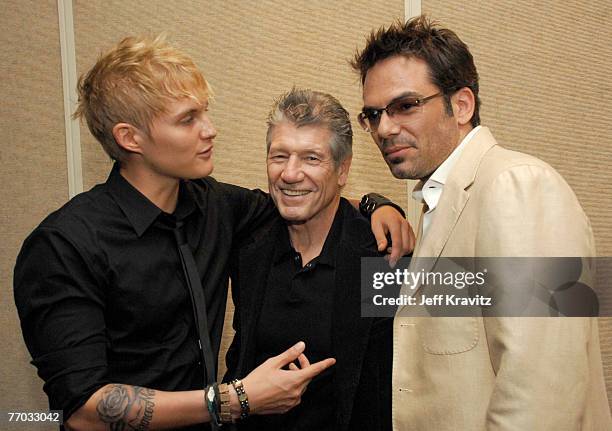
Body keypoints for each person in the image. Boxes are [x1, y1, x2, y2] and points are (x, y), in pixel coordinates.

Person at [13, 35, 411, 431]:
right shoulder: (64, 245)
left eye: (204, 113)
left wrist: (380, 205)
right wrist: (236, 399)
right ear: (129, 137)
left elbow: (306, 194)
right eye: (188, 119)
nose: (210, 130)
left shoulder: (214, 207)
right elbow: (81, 409)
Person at [351, 15, 612, 431]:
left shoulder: (517, 185)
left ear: (461, 105)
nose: (384, 128)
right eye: (373, 114)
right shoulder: (439, 200)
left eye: (404, 106)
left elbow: (543, 387)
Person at [225, 89, 392, 431]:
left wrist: (382, 205)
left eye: (311, 159)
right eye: (279, 156)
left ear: (342, 170)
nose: (290, 173)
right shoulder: (249, 243)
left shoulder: (379, 256)